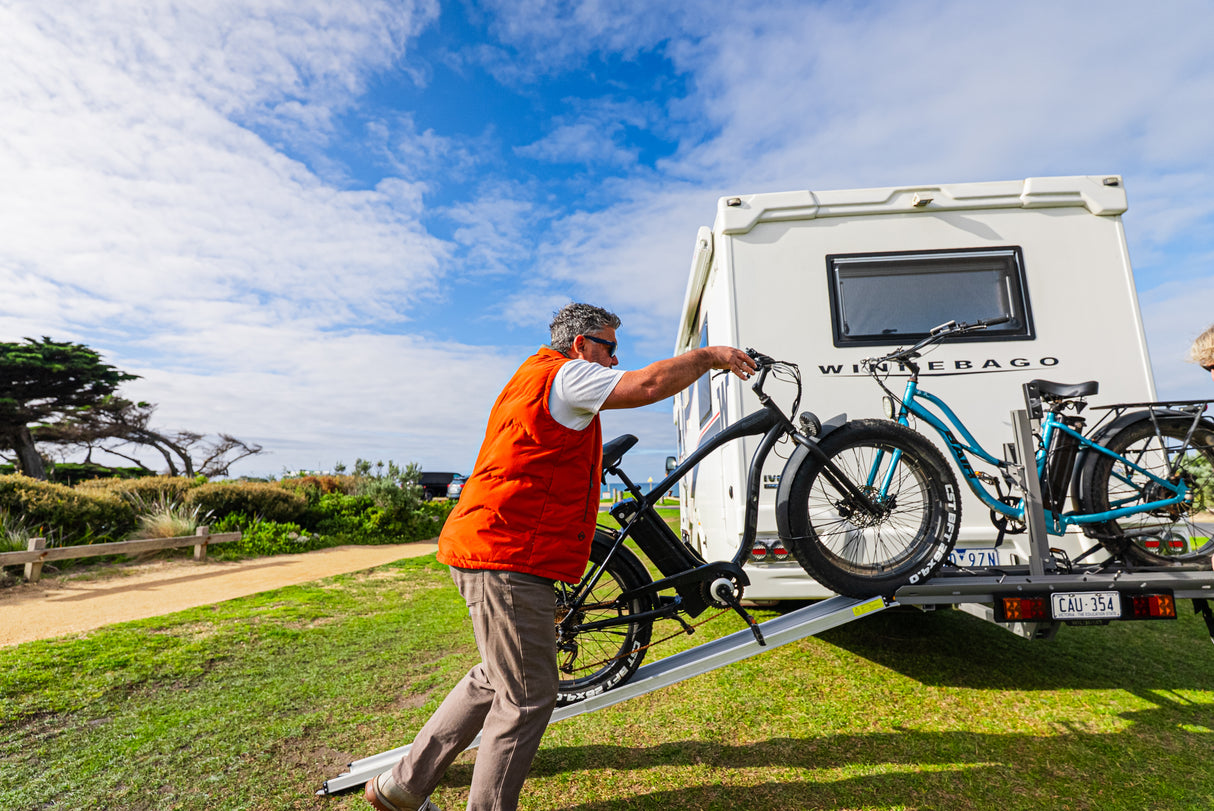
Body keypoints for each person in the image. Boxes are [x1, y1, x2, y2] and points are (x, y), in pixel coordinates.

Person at [365, 303, 757, 811]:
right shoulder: (569, 375)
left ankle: (402, 787)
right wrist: (708, 356)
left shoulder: (532, 377)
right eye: (609, 347)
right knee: (527, 697)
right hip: (506, 557)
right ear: (580, 344)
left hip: (495, 546)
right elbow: (647, 386)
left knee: (497, 676)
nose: (615, 360)